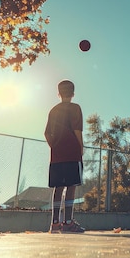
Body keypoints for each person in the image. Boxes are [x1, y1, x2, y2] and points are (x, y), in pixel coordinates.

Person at [44, 80, 85, 233]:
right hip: (72, 152)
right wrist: (81, 148)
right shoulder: (75, 108)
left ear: (59, 93)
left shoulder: (53, 110)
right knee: (71, 186)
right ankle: (67, 222)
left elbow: (47, 133)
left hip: (57, 155)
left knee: (58, 187)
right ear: (73, 93)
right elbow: (77, 131)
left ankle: (55, 223)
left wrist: (54, 146)